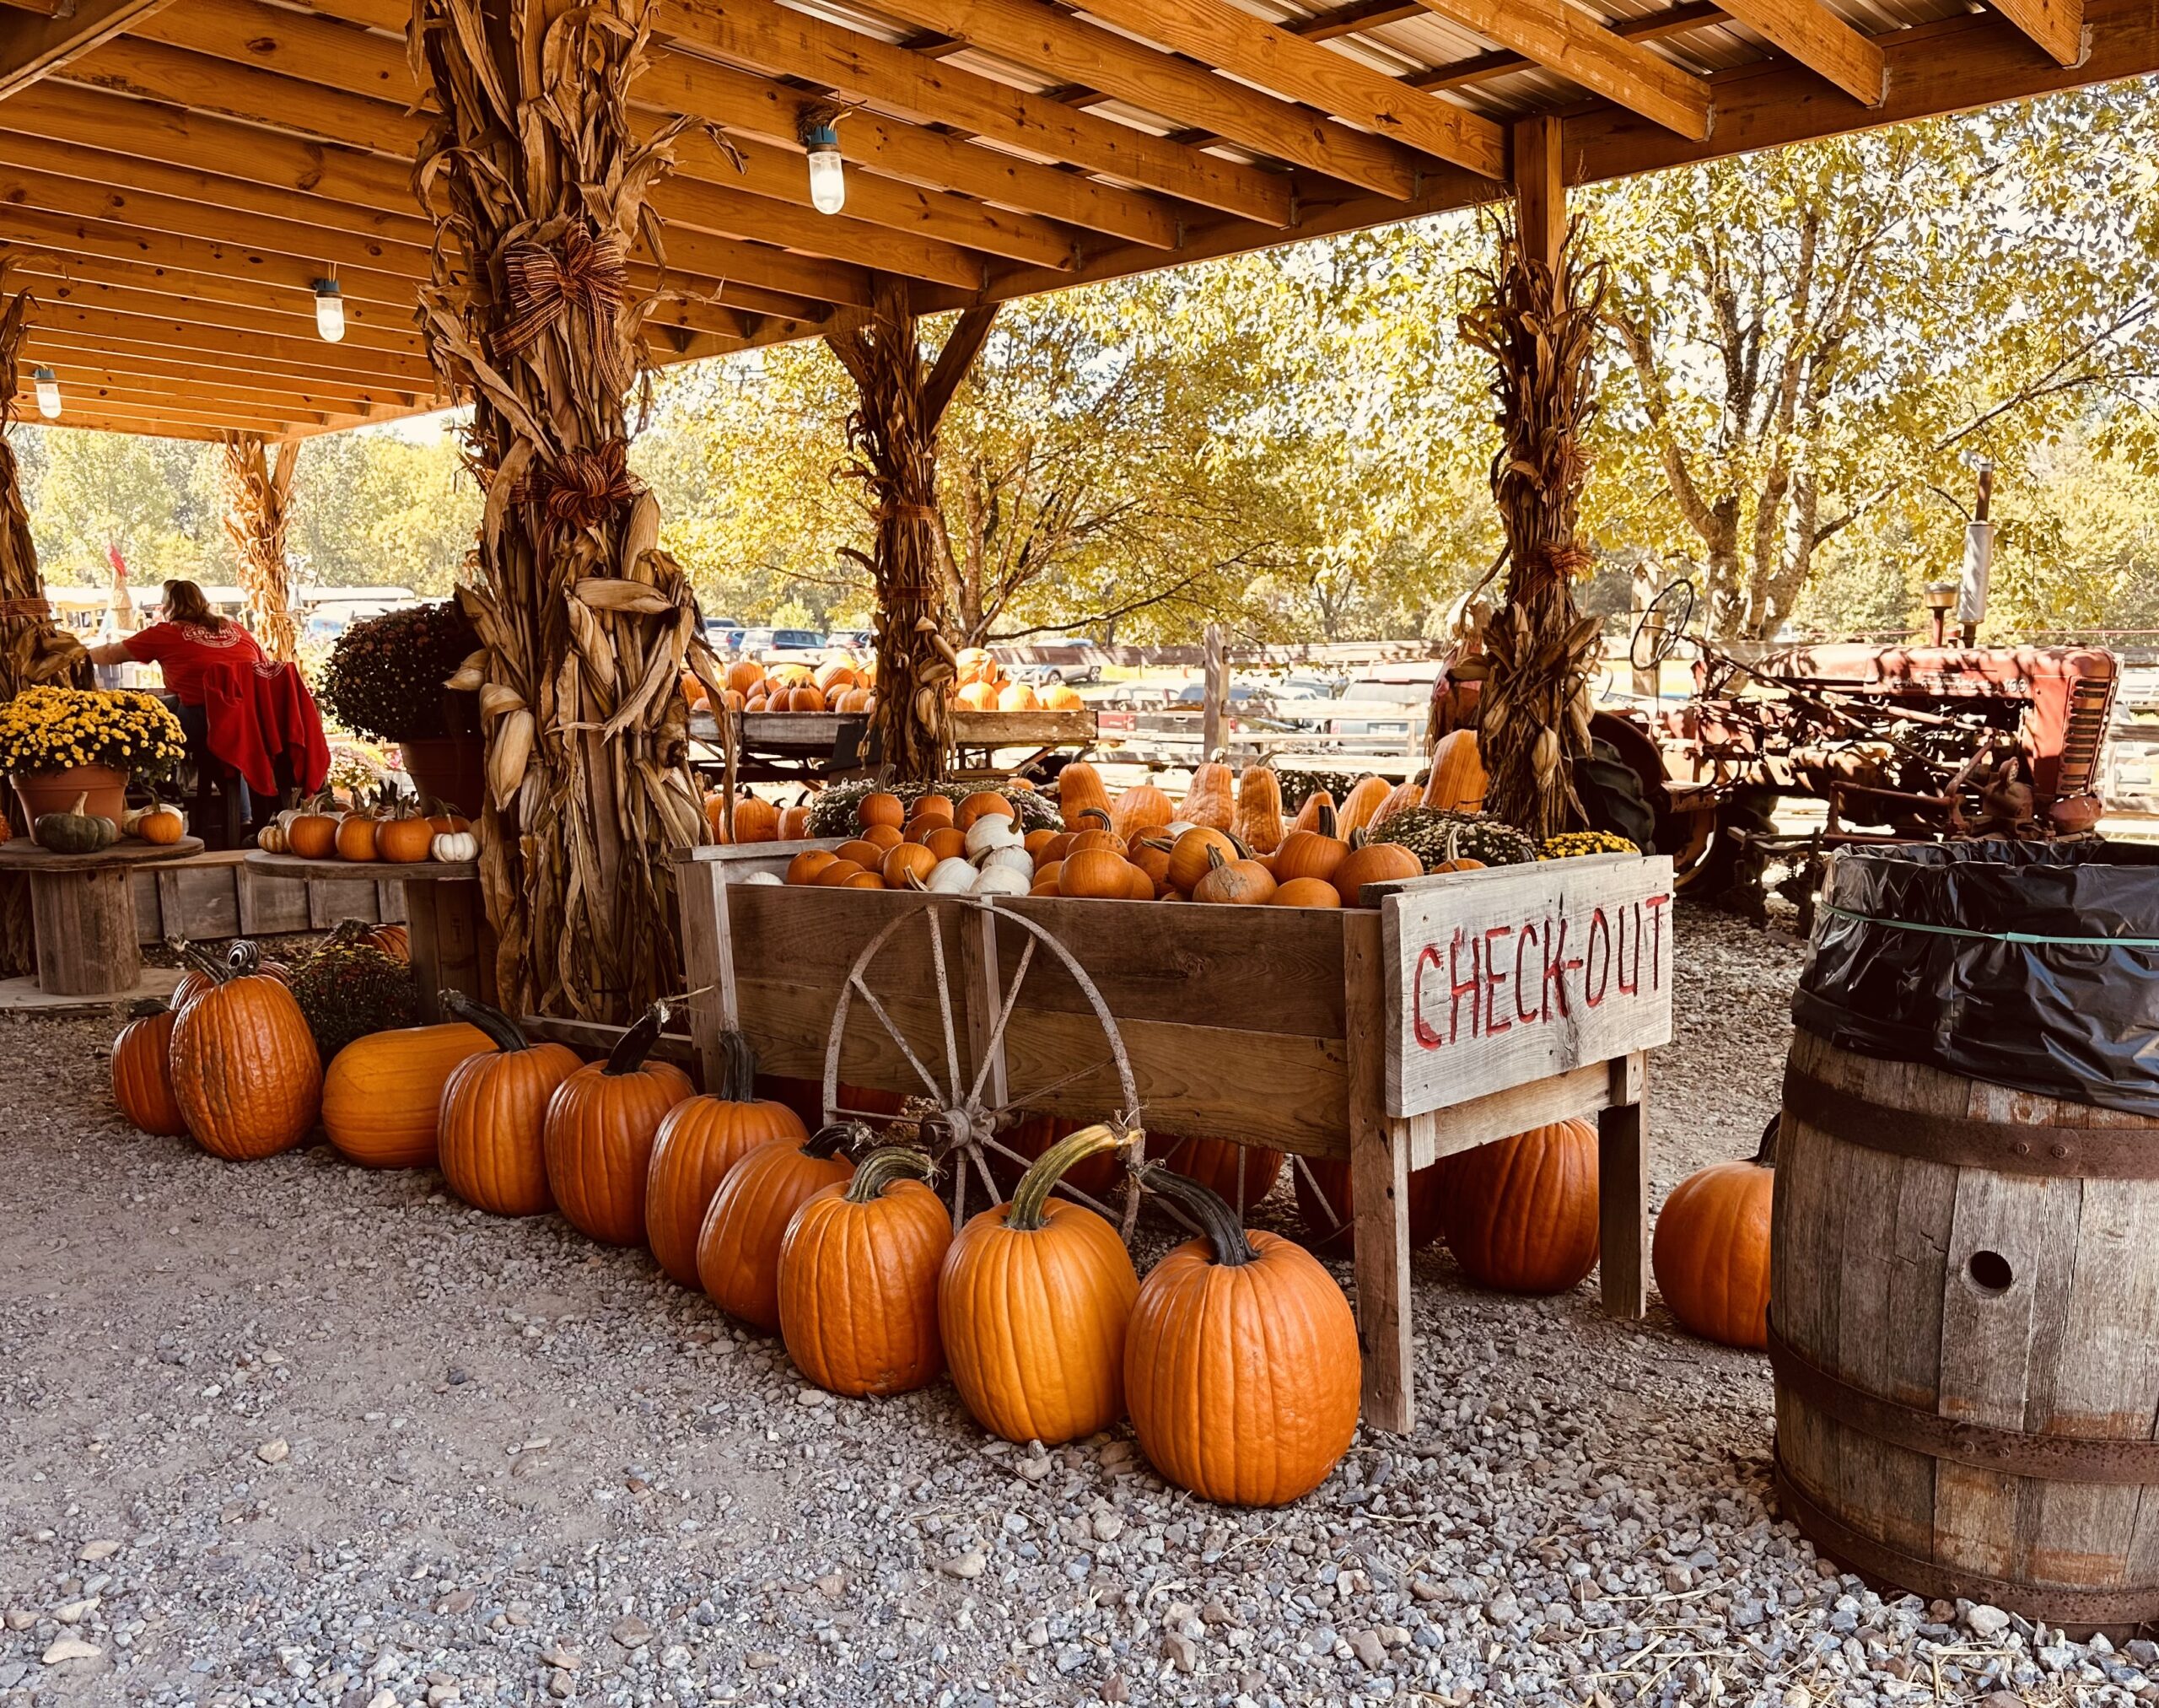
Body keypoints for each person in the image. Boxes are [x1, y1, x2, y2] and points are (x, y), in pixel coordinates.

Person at [86, 579, 265, 698]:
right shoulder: (236, 628)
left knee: (139, 709)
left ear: (169, 607)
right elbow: (264, 666)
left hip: (202, 716)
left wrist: (76, 654)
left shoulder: (165, 633)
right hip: (252, 715)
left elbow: (110, 654)